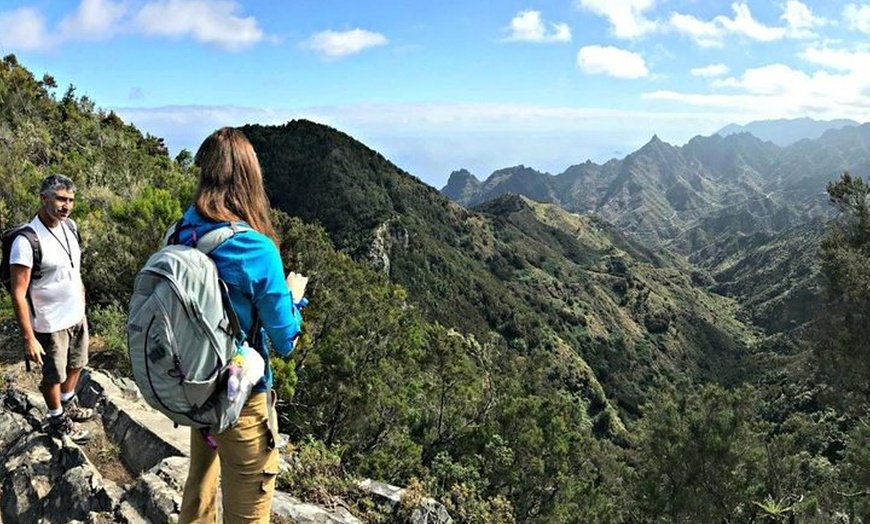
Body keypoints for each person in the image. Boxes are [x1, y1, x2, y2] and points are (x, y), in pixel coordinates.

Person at [176, 127, 308, 523]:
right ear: (250, 179)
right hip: (242, 399)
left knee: (199, 485)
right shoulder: (255, 247)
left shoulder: (182, 230)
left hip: (195, 388)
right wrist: (293, 300)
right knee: (249, 508)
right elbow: (286, 340)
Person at [9, 173, 94, 443]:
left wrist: (80, 293)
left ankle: (68, 404)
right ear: (43, 198)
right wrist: (29, 337)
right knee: (53, 375)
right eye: (60, 199)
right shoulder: (26, 242)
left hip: (76, 315)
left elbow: (73, 268)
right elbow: (18, 293)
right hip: (49, 322)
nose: (66, 205)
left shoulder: (70, 227)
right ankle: (57, 418)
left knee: (77, 364)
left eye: (70, 200)